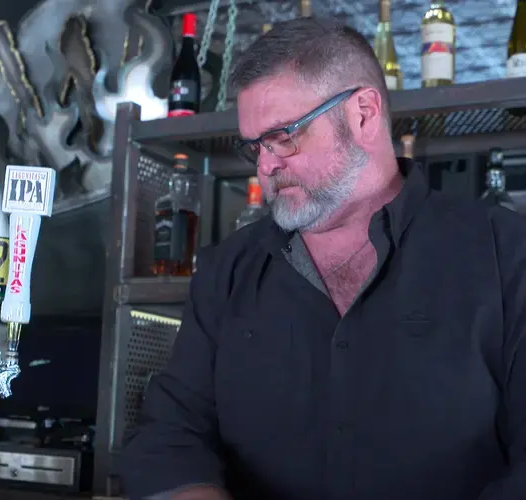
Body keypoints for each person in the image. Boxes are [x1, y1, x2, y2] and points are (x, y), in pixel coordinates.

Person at [120, 17, 526, 500]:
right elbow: (168, 434)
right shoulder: (226, 273)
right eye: (255, 146)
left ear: (363, 114)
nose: (267, 165)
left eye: (285, 136)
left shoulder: (506, 254)